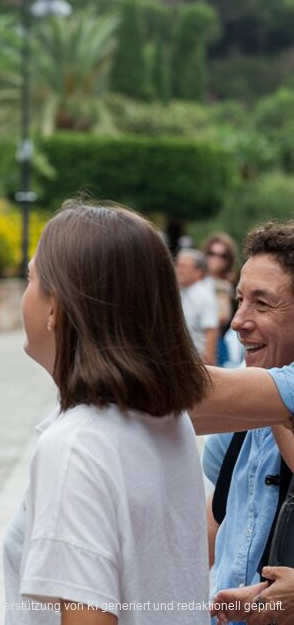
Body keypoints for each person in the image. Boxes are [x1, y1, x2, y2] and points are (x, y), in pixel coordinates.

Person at [3, 202, 210, 624]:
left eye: (30, 279)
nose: (24, 296)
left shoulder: (76, 446)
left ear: (56, 307)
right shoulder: (171, 422)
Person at [199, 222, 294, 625]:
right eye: (240, 300)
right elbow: (218, 518)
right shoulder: (240, 424)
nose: (238, 320)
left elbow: (173, 395)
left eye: (262, 303)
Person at [203, 232, 241, 366]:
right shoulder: (195, 281)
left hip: (215, 342)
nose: (216, 259)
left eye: (222, 256)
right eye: (212, 253)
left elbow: (222, 317)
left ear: (228, 259)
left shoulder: (226, 286)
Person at [179, 248, 220, 365]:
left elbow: (211, 331)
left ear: (198, 272)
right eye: (178, 265)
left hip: (198, 365)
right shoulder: (183, 292)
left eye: (183, 266)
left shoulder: (204, 295)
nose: (178, 270)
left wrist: (207, 366)